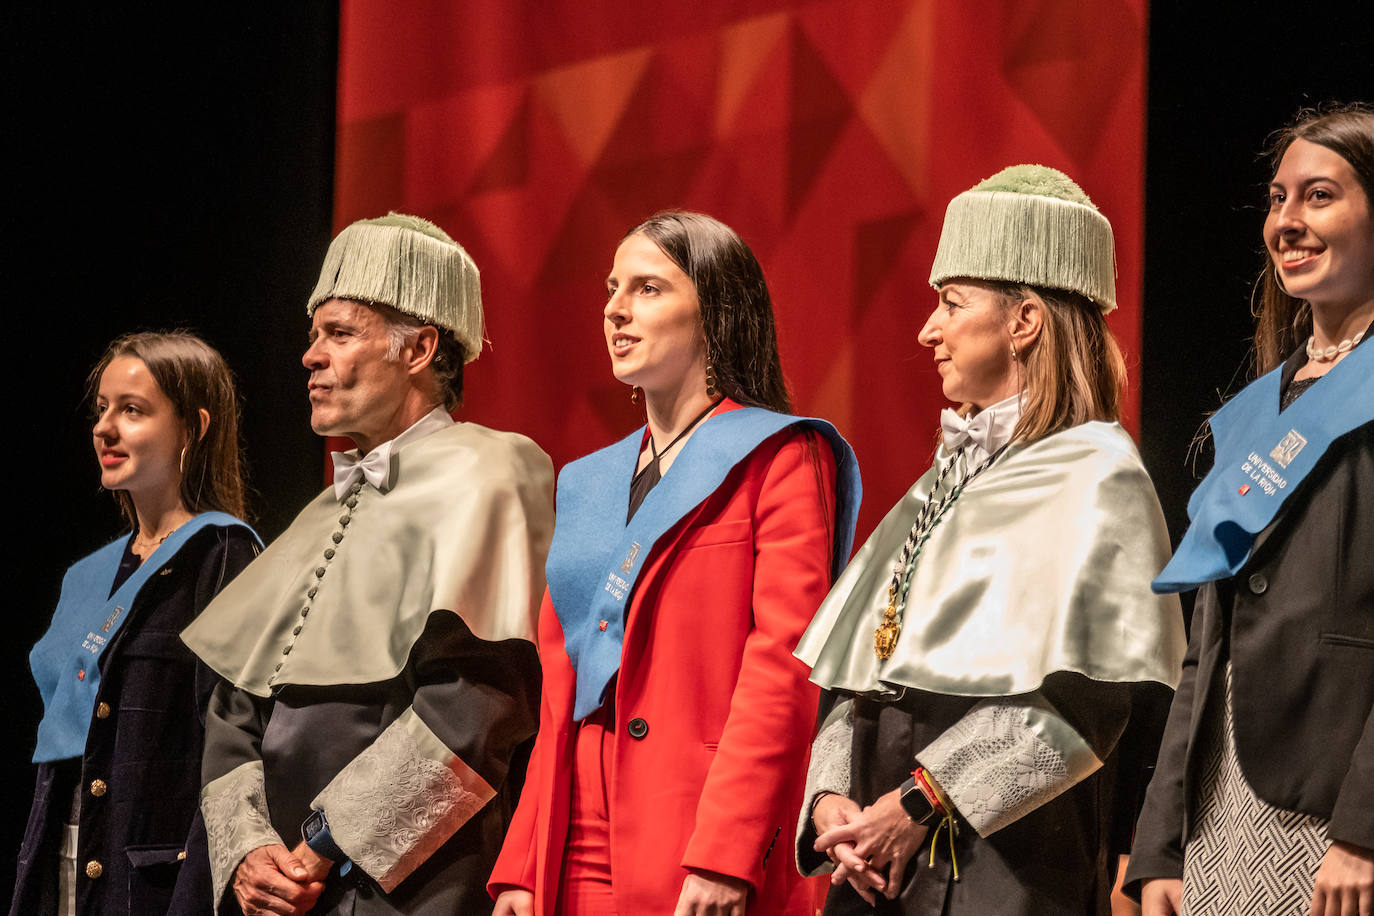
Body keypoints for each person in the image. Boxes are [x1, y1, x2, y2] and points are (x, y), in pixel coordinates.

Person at [794, 166, 1188, 915]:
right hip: (874, 868)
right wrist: (832, 799)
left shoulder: (1100, 478)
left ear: (1024, 321)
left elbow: (1086, 707)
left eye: (951, 304)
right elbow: (862, 668)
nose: (928, 330)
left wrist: (917, 805)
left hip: (1004, 875)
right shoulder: (943, 479)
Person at [487, 210, 861, 915]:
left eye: (649, 288)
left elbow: (784, 664)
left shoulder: (778, 457)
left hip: (696, 830)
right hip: (571, 835)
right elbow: (560, 683)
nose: (615, 310)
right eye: (611, 288)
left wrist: (727, 849)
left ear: (716, 312)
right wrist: (523, 861)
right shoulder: (587, 481)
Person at [181, 213, 555, 915]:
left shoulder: (493, 471)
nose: (310, 356)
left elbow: (476, 705)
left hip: (409, 887)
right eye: (313, 334)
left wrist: (324, 846)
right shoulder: (321, 510)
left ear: (419, 347)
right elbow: (233, 712)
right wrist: (249, 853)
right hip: (284, 893)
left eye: (340, 334)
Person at [1126, 104, 1374, 916]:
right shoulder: (1256, 411)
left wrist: (1365, 828)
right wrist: (1162, 839)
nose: (1288, 221)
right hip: (1220, 808)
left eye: (1320, 196)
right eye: (1277, 199)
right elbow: (1207, 643)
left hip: (1335, 810)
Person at [12, 332, 259, 916]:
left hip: (152, 876)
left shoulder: (221, 553)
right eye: (102, 409)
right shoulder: (86, 574)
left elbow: (230, 746)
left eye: (132, 410)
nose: (104, 428)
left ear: (194, 429)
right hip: (61, 849)